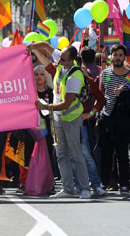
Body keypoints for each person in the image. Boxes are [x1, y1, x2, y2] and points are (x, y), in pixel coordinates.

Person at [35, 45, 92, 199]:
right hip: (57, 118)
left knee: (76, 154)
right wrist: (34, 47)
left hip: (71, 118)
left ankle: (85, 188)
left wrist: (46, 106)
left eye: (63, 59)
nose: (59, 61)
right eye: (59, 57)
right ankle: (68, 189)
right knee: (61, 155)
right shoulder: (62, 62)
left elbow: (67, 103)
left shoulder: (75, 75)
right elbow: (46, 47)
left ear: (72, 60)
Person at [98, 44, 130, 195]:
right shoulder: (105, 73)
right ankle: (105, 182)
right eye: (115, 55)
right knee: (106, 153)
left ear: (124, 57)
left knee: (122, 154)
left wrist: (122, 95)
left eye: (120, 55)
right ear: (111, 56)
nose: (118, 57)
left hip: (123, 120)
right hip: (107, 118)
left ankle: (124, 184)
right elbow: (102, 93)